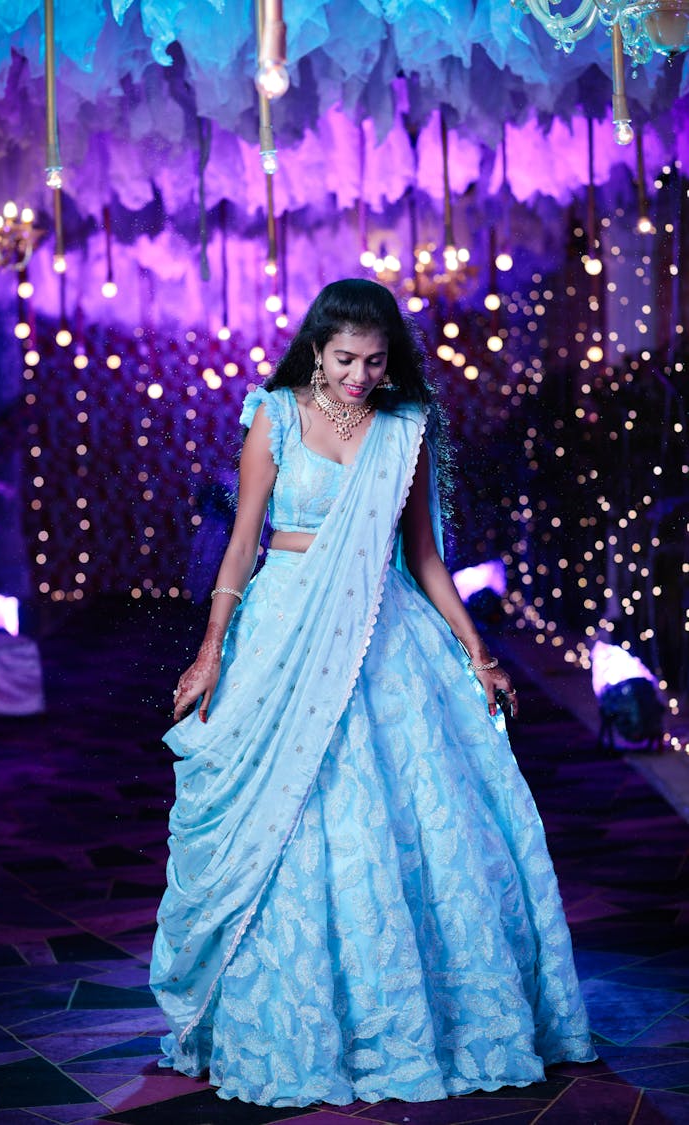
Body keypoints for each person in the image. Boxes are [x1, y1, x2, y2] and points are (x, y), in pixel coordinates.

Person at [150, 279, 595, 1108]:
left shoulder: (405, 427)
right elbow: (242, 543)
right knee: (288, 814)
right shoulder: (275, 414)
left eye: (376, 362)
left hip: (383, 633)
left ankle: (405, 1023)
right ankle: (287, 1024)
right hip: (284, 627)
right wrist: (212, 651)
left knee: (401, 818)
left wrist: (479, 652)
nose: (360, 377)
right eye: (347, 360)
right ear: (317, 350)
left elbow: (424, 556)